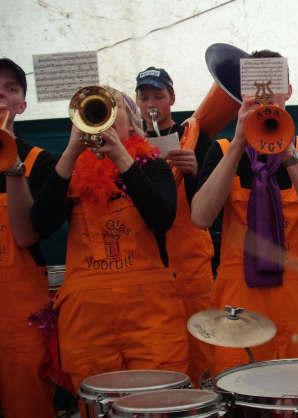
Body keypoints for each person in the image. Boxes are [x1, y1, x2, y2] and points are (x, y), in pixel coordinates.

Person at [191, 49, 298, 376]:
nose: (265, 97)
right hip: (240, 307)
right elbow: (200, 217)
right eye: (255, 87)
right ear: (242, 94)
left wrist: (287, 151)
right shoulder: (221, 151)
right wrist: (237, 143)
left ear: (289, 92)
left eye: (274, 86)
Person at [31, 86, 189, 391]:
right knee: (98, 400)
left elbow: (162, 218)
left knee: (158, 395)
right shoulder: (68, 172)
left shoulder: (154, 167)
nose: (104, 117)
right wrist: (71, 152)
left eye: (112, 107)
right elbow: (41, 225)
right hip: (88, 319)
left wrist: (121, 157)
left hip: (150, 315)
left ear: (130, 123)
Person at [135, 67, 214, 384]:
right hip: (149, 260)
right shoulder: (129, 142)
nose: (151, 104)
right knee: (160, 347)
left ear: (172, 99)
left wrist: (194, 171)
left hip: (191, 256)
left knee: (201, 342)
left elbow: (210, 204)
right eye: (144, 98)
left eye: (158, 96)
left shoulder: (196, 138)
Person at [0, 58, 55, 417]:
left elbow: (28, 236)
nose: (1, 96)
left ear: (21, 105)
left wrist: (12, 166)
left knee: (28, 402)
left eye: (10, 89)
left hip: (19, 310)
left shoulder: (39, 161)